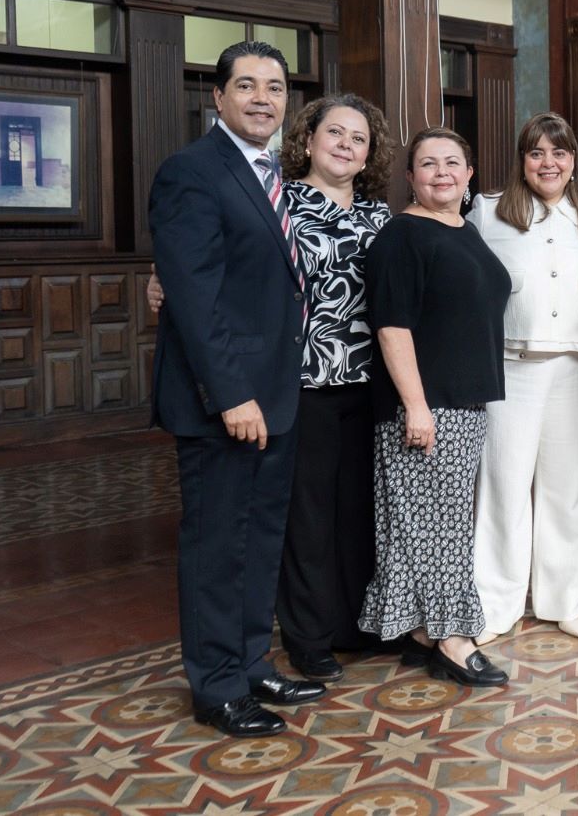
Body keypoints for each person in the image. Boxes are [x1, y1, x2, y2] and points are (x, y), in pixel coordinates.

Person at [148, 93, 395, 684]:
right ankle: (308, 637)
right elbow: (214, 262)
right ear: (307, 139)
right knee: (304, 519)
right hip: (297, 381)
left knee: (358, 512)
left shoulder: (380, 217)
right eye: (334, 133)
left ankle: (353, 625)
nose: (345, 145)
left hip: (366, 382)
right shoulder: (277, 199)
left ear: (369, 155)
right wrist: (159, 282)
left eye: (358, 139)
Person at [148, 40, 325, 738]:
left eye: (274, 87)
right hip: (226, 401)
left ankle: (251, 662)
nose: (262, 98)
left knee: (260, 539)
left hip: (276, 392)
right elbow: (195, 299)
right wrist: (231, 395)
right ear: (217, 97)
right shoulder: (191, 172)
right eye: (246, 85)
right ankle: (217, 686)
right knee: (218, 547)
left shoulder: (270, 172)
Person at [359, 128, 511, 688]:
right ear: (410, 177)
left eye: (452, 162)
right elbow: (392, 326)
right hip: (428, 405)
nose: (441, 172)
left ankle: (421, 632)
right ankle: (453, 639)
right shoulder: (402, 236)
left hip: (461, 401)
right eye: (428, 164)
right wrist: (416, 405)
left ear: (469, 174)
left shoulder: (463, 228)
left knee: (428, 525)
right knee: (440, 528)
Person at [469, 114, 578, 643]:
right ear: (522, 161)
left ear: (573, 161)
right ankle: (497, 605)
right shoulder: (487, 212)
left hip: (574, 367)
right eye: (536, 153)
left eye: (559, 152)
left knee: (568, 488)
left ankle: (562, 599)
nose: (548, 163)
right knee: (503, 484)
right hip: (510, 368)